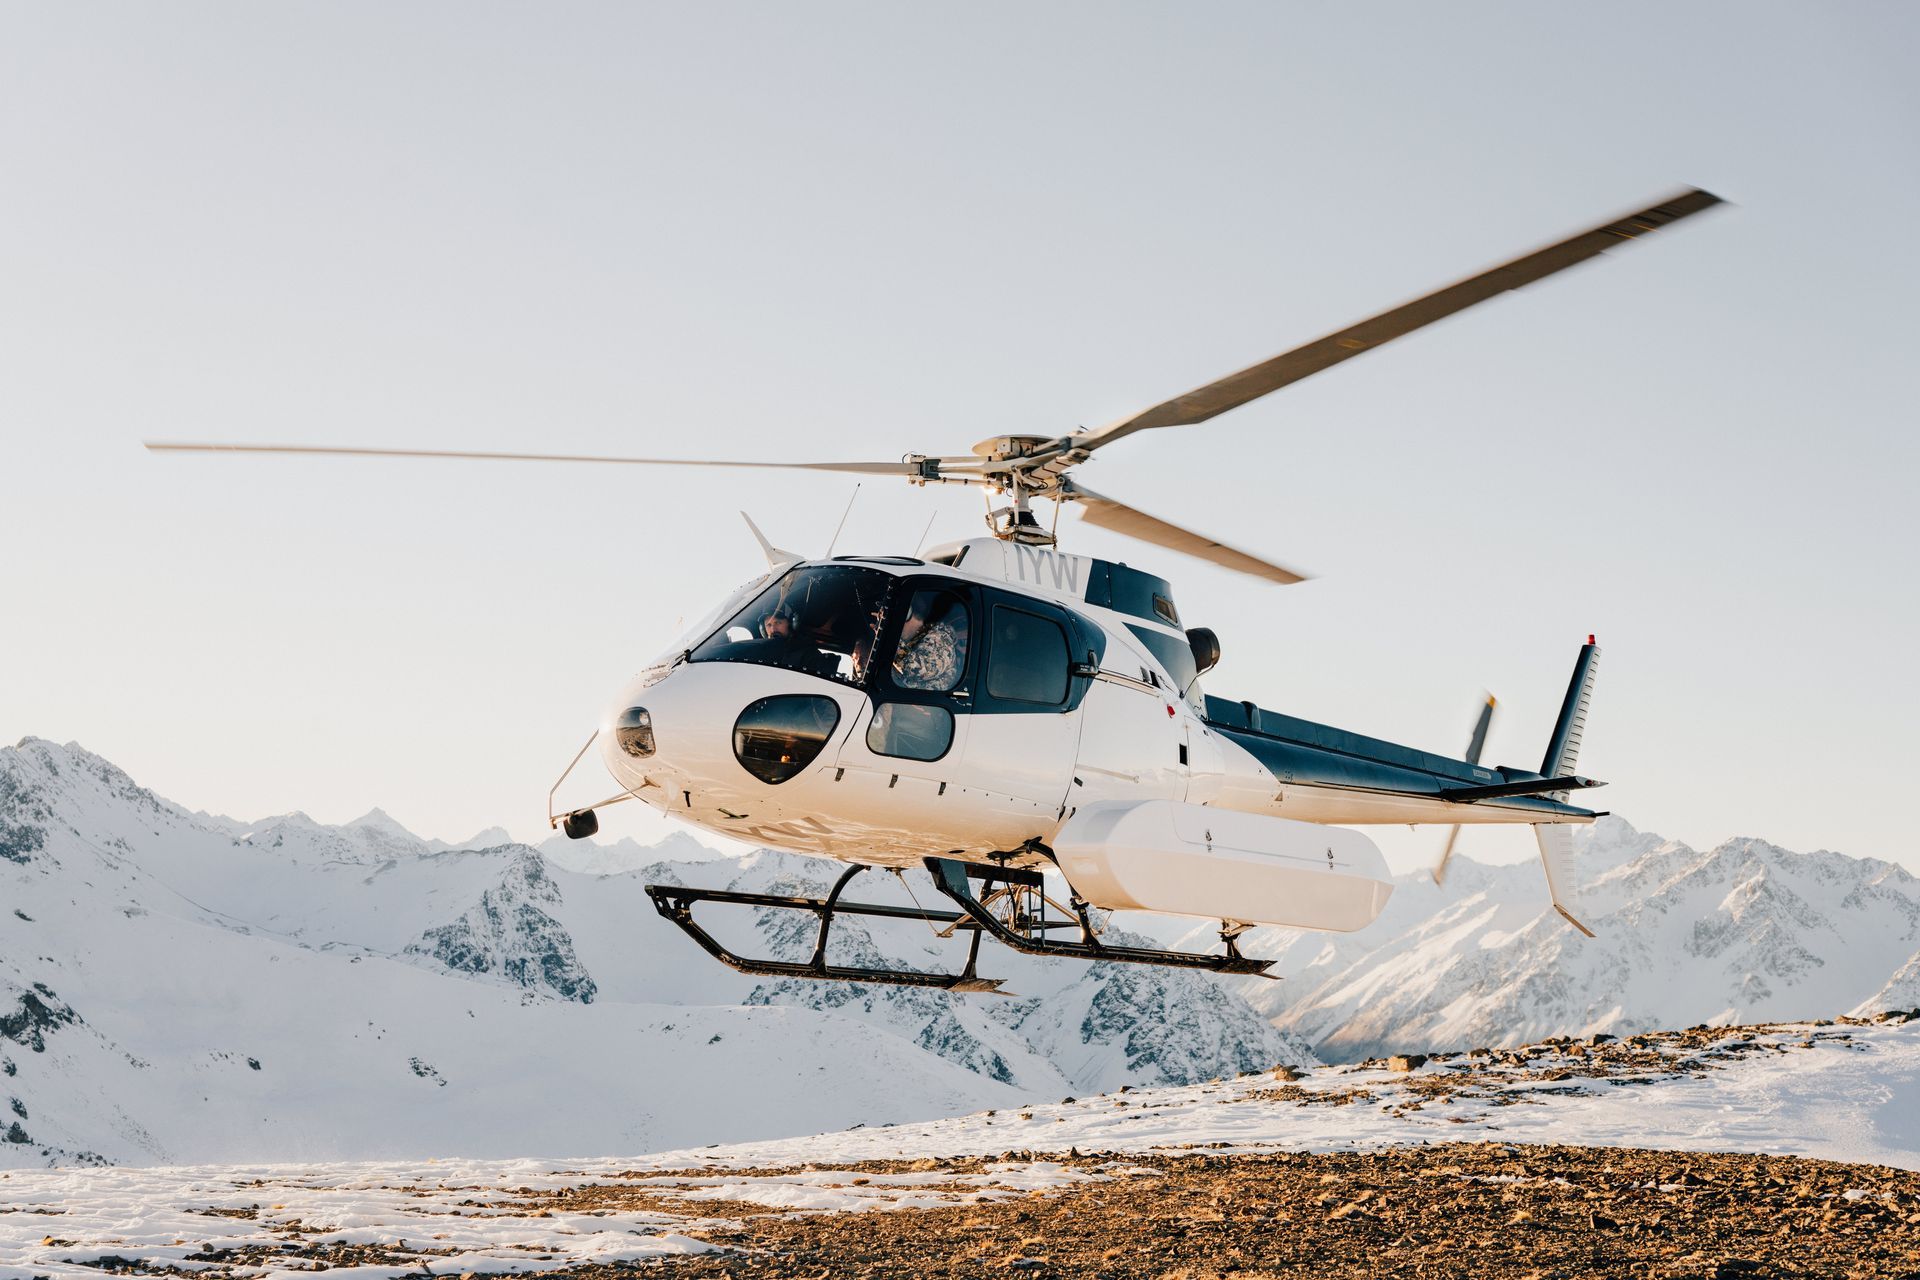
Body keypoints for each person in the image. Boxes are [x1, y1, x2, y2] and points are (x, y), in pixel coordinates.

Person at [894, 594, 967, 690]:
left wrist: (890, 638)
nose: (896, 624)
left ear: (909, 614)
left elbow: (917, 668)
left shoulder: (941, 640)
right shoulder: (920, 640)